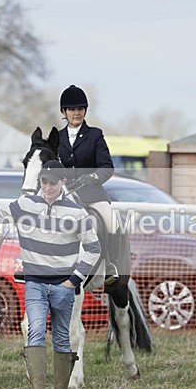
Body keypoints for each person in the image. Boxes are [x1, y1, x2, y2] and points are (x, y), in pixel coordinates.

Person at [0, 160, 101, 389]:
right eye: (44, 182)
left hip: (64, 286)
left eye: (52, 182)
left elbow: (94, 248)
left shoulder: (77, 212)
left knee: (61, 337)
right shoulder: (26, 204)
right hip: (35, 284)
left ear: (63, 183)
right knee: (35, 330)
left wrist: (74, 280)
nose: (47, 187)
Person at [56, 84, 121, 284]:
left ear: (85, 110)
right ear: (64, 112)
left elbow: (107, 166)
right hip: (64, 194)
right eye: (72, 109)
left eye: (80, 109)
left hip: (92, 194)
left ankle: (111, 265)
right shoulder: (57, 137)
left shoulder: (95, 135)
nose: (76, 113)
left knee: (111, 220)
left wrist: (94, 177)